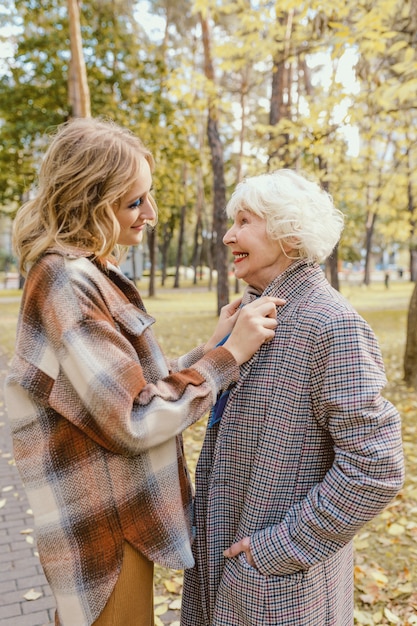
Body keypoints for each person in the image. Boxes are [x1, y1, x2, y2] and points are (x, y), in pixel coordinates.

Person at [4, 117, 284, 626]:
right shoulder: (66, 282)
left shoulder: (87, 273)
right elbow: (134, 417)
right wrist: (229, 358)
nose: (150, 214)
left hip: (118, 519)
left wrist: (211, 346)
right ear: (88, 200)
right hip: (102, 534)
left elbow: (121, 386)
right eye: (135, 202)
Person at [181, 169, 405, 626]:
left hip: (278, 589)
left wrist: (275, 550)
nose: (228, 236)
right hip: (225, 562)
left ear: (288, 233)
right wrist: (217, 347)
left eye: (244, 221)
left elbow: (377, 467)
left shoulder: (330, 324)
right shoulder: (250, 314)